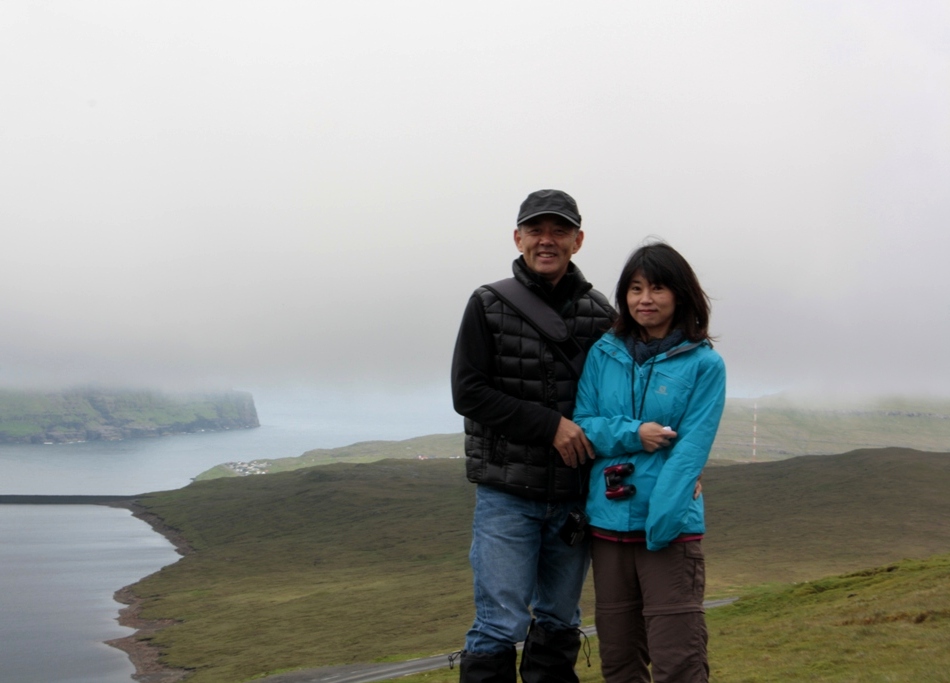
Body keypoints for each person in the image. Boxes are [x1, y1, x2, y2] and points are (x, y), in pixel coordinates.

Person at [450, 189, 615, 683]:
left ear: (578, 240)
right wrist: (550, 426)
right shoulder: (487, 303)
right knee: (499, 624)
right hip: (506, 495)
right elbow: (468, 392)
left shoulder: (601, 312)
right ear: (517, 237)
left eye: (559, 231)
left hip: (572, 497)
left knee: (561, 621)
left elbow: (619, 400)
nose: (547, 240)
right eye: (536, 230)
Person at [573, 242, 726, 683]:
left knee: (678, 660)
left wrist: (659, 527)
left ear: (681, 294)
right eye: (635, 288)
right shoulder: (604, 353)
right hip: (607, 528)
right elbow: (585, 424)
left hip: (668, 532)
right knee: (618, 661)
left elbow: (691, 451)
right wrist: (634, 435)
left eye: (657, 288)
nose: (645, 299)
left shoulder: (704, 365)